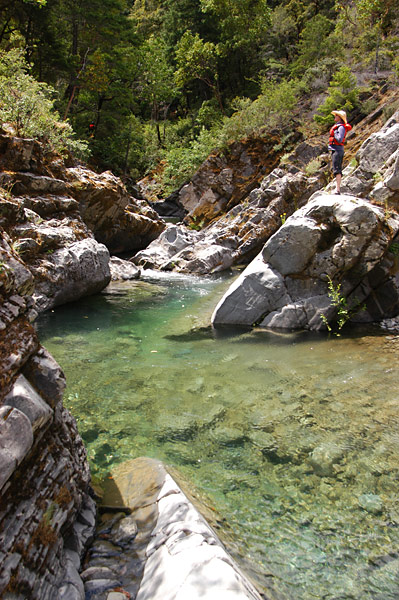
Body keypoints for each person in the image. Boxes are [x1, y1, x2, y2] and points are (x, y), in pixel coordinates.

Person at [328, 110, 352, 195]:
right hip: (335, 149)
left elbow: (339, 139)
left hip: (338, 149)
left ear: (340, 117)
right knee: (335, 168)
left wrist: (335, 132)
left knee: (337, 169)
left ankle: (337, 190)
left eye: (336, 115)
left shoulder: (341, 127)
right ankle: (336, 188)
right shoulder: (338, 126)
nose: (335, 116)